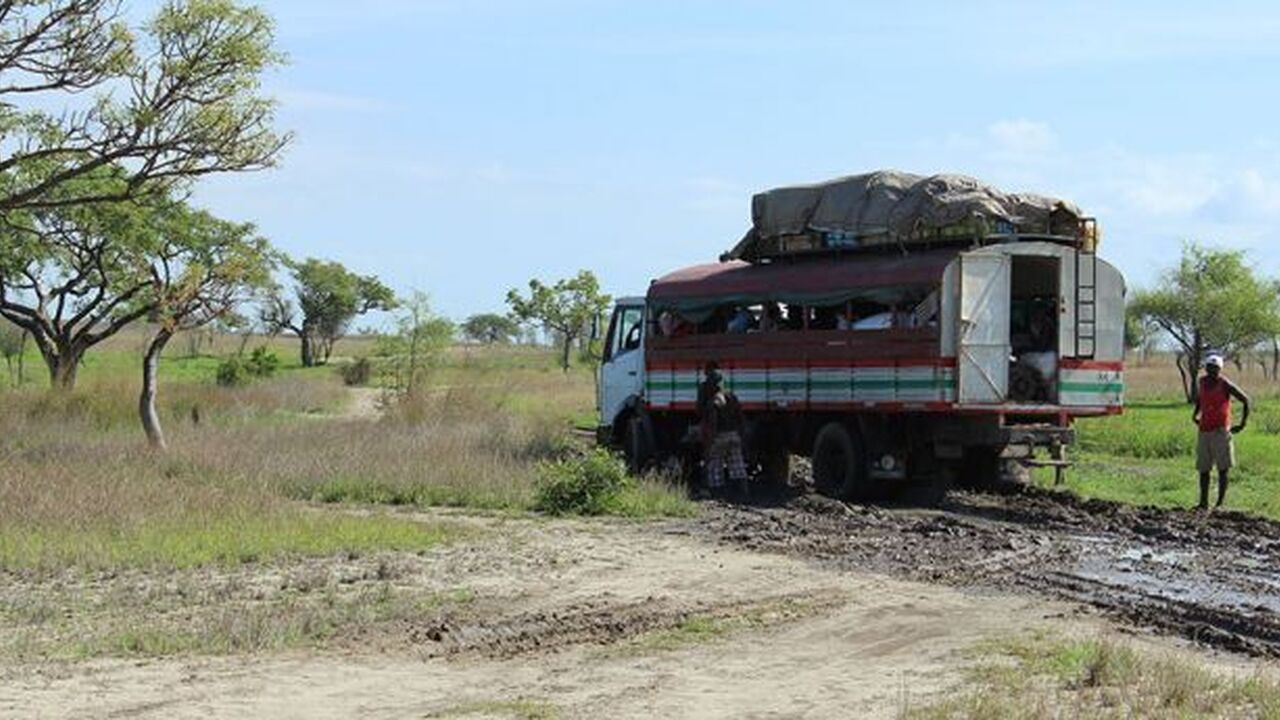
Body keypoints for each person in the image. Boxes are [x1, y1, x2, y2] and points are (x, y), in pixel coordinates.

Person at [1192, 353, 1249, 509]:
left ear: (1220, 369)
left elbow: (1245, 400)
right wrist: (1195, 414)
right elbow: (1200, 399)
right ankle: (1203, 502)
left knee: (1223, 468)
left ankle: (1219, 504)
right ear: (1205, 368)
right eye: (1209, 367)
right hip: (1204, 430)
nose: (1211, 371)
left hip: (1220, 430)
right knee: (1203, 468)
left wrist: (1242, 424)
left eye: (1215, 368)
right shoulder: (1202, 382)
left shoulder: (1224, 384)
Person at [699, 366, 748, 495]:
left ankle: (718, 493)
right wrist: (741, 436)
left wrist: (709, 444)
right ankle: (743, 492)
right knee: (737, 464)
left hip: (719, 437)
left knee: (714, 466)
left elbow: (713, 424)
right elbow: (741, 419)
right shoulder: (732, 396)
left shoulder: (712, 402)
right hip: (734, 435)